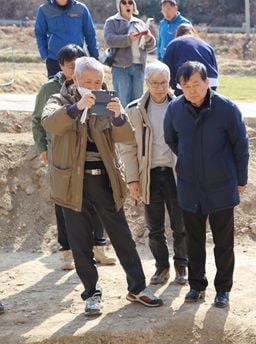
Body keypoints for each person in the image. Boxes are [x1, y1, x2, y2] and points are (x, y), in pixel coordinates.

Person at [41, 57, 163, 316]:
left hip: (105, 180)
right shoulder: (60, 99)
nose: (94, 87)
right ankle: (91, 293)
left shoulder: (107, 101)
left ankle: (137, 287)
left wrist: (118, 117)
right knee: (80, 242)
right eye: (88, 82)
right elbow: (50, 123)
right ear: (75, 78)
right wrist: (76, 108)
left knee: (122, 236)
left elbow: (126, 137)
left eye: (98, 82)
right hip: (71, 183)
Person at [164, 61, 249, 308]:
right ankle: (196, 285)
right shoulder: (175, 109)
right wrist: (190, 161)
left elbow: (240, 146)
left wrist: (240, 179)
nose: (192, 90)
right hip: (190, 186)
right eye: (186, 86)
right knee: (194, 241)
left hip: (221, 185)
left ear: (207, 82)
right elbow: (172, 139)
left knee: (224, 243)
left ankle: (223, 289)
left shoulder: (226, 108)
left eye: (196, 84)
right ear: (179, 87)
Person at [32, 44, 117, 271]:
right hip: (60, 154)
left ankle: (98, 246)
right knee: (64, 204)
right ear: (61, 66)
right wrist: (42, 148)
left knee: (96, 203)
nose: (76, 70)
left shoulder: (94, 89)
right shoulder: (51, 90)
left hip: (89, 157)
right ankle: (66, 250)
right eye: (72, 66)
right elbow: (38, 120)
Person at [119, 61, 188, 287]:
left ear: (170, 82)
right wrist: (132, 179)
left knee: (181, 225)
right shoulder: (134, 110)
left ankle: (182, 266)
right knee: (154, 227)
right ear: (146, 83)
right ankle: (161, 266)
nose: (159, 88)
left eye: (164, 83)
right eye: (154, 83)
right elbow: (128, 148)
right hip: (149, 175)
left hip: (176, 175)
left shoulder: (181, 106)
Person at [103, 0, 157, 106]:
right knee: (122, 101)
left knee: (138, 102)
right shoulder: (111, 21)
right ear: (119, 5)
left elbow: (151, 46)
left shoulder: (140, 23)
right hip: (120, 67)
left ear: (133, 5)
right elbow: (109, 40)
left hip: (139, 67)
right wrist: (128, 39)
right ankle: (122, 118)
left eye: (130, 2)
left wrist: (149, 39)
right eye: (124, 2)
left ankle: (135, 118)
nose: (127, 5)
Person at [34, 0, 99, 77]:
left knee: (78, 84)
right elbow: (40, 33)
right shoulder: (44, 10)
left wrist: (94, 57)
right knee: (55, 84)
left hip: (77, 60)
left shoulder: (81, 8)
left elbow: (90, 34)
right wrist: (45, 55)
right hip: (54, 59)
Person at [162, 24, 219, 97]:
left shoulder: (174, 43)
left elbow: (166, 67)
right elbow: (214, 66)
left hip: (187, 80)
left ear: (177, 33)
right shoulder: (206, 44)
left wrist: (173, 85)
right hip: (210, 80)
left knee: (182, 103)